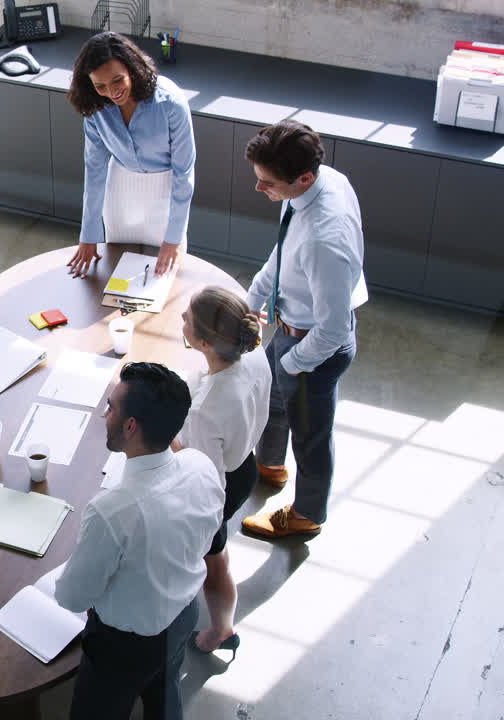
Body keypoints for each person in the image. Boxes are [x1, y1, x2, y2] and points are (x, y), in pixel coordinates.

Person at [55, 363, 224, 720]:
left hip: (124, 648)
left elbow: (72, 597)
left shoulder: (112, 511)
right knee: (164, 693)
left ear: (131, 426)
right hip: (183, 614)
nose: (105, 414)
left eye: (112, 407)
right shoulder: (200, 465)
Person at [238, 120, 366, 540]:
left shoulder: (324, 241)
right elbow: (282, 251)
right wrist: (254, 300)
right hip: (292, 325)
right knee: (274, 401)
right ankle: (270, 466)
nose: (259, 190)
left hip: (314, 344)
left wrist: (292, 362)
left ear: (304, 178)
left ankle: (307, 514)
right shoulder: (317, 184)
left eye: (267, 183)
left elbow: (332, 329)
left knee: (311, 435)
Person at [174, 287, 272, 657]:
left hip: (218, 487)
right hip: (245, 461)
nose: (181, 319)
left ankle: (221, 629)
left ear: (204, 342)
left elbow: (202, 474)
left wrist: (165, 434)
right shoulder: (254, 353)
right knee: (218, 550)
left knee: (213, 561)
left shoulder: (205, 410)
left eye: (187, 319)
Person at [66, 31, 196, 279]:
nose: (111, 91)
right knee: (117, 274)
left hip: (167, 191)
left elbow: (184, 172)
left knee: (166, 279)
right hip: (121, 191)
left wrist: (173, 238)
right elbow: (94, 170)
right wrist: (89, 233)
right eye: (100, 85)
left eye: (117, 80)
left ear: (132, 69)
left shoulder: (171, 102)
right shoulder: (95, 107)